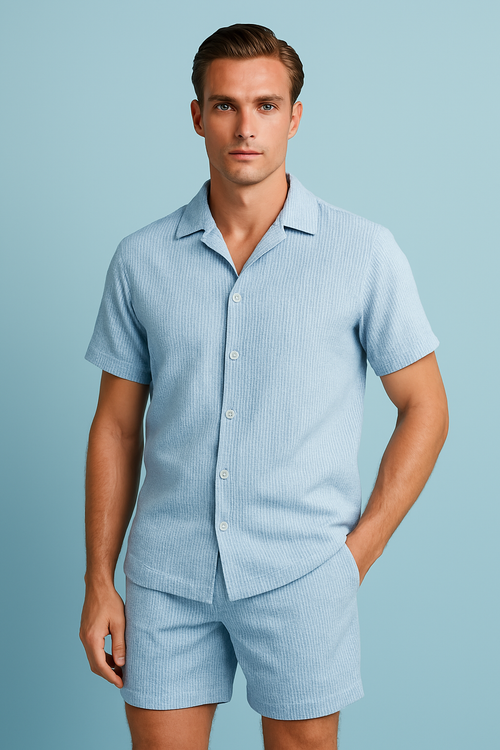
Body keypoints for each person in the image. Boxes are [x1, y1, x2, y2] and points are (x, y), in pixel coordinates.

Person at [79, 23, 449, 750]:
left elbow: (426, 407)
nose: (245, 127)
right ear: (197, 117)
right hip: (166, 577)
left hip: (303, 571)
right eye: (225, 105)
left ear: (294, 117)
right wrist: (99, 580)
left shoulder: (362, 252)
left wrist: (356, 555)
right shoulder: (141, 259)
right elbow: (116, 427)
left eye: (266, 105)